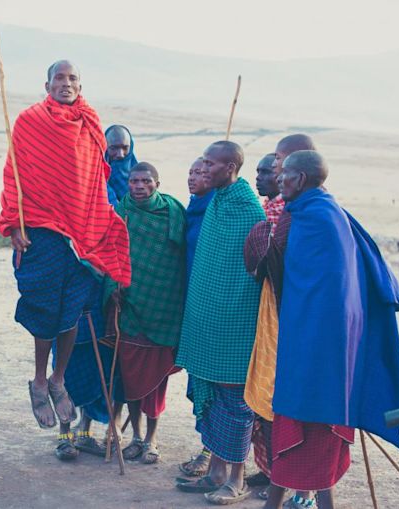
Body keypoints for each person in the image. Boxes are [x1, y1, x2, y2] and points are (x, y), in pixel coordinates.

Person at [264, 150, 399, 509]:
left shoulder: (319, 219)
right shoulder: (318, 210)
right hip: (315, 336)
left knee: (313, 416)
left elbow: (327, 291)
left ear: (303, 179)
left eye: (287, 174)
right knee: (305, 415)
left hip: (319, 342)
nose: (280, 179)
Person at [0, 60, 130, 431]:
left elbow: (93, 180)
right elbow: (14, 176)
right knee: (45, 310)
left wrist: (98, 224)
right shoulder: (29, 120)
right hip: (40, 229)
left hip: (82, 231)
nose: (66, 83)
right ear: (47, 84)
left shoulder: (89, 123)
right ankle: (39, 380)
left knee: (73, 311)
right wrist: (13, 224)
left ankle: (59, 378)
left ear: (80, 84)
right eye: (60, 77)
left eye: (73, 78)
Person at [175, 141, 265, 504]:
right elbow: (210, 264)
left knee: (236, 404)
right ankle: (215, 472)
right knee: (210, 399)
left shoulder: (248, 210)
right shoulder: (216, 204)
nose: (204, 168)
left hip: (235, 325)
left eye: (210, 164)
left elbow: (250, 272)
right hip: (207, 321)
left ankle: (237, 479)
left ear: (230, 168)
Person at [243, 140, 315, 497]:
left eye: (278, 165)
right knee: (267, 396)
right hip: (272, 311)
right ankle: (272, 471)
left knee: (290, 401)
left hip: (297, 318)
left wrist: (263, 242)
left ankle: (301, 488)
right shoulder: (278, 210)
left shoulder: (311, 212)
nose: (276, 174)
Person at [106, 162, 186, 464]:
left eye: (146, 181)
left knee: (156, 379)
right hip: (129, 307)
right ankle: (137, 437)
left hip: (164, 306)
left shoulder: (174, 212)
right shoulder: (120, 212)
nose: (139, 186)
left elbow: (182, 256)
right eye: (134, 181)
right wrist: (111, 289)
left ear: (157, 182)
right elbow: (110, 254)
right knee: (130, 377)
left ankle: (152, 439)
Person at [178, 156, 215, 478]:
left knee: (215, 381)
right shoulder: (192, 209)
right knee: (200, 376)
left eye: (202, 173)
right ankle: (211, 446)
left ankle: (212, 451)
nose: (194, 178)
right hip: (193, 304)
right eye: (191, 172)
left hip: (214, 308)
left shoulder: (218, 211)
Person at [104, 124, 138, 203]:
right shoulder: (96, 175)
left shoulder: (140, 174)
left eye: (125, 148)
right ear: (104, 147)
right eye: (113, 148)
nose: (120, 154)